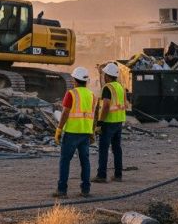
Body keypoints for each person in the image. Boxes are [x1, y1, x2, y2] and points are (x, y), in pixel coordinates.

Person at [52, 66, 95, 198]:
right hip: (85, 133)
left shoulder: (71, 94)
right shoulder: (92, 95)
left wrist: (59, 129)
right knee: (85, 161)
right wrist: (92, 132)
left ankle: (62, 190)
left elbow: (65, 112)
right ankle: (85, 190)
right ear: (85, 81)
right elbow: (93, 115)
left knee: (65, 161)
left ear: (75, 80)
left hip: (72, 132)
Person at [92, 62, 126, 183]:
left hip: (108, 122)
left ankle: (101, 175)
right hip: (118, 121)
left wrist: (100, 122)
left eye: (104, 74)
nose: (103, 77)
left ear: (107, 75)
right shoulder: (119, 87)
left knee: (103, 149)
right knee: (117, 149)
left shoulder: (107, 88)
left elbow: (106, 105)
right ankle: (118, 175)